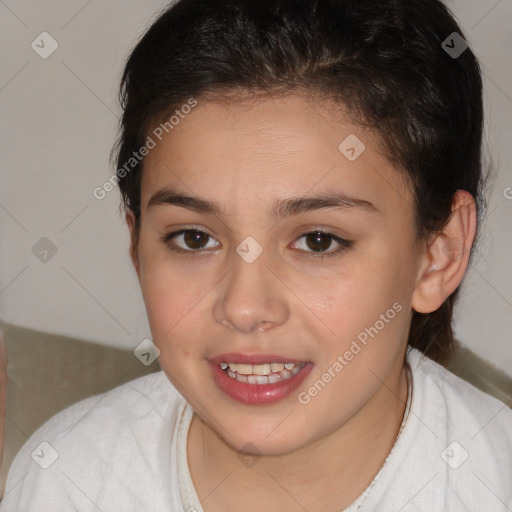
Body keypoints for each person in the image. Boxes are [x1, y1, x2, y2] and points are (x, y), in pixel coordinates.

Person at [1, 0, 511, 510]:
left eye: (318, 241)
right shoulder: (67, 481)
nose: (244, 308)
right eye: (194, 238)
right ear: (136, 244)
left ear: (439, 254)